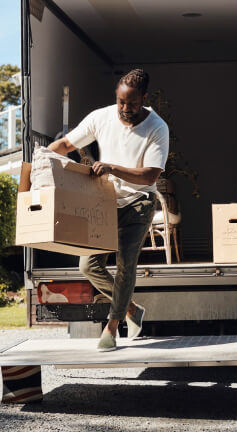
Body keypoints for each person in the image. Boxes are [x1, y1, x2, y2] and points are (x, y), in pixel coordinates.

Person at [47, 69, 170, 351]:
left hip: (139, 203)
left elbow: (150, 176)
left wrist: (112, 167)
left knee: (126, 267)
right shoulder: (101, 117)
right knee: (88, 265)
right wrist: (42, 159)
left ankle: (112, 328)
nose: (125, 109)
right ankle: (131, 309)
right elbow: (66, 144)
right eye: (121, 102)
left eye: (132, 103)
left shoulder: (157, 127)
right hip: (106, 201)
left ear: (144, 99)